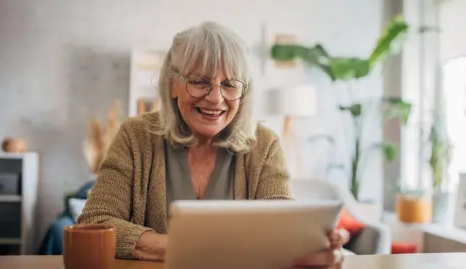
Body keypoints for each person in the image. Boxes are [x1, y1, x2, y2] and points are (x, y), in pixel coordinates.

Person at [78, 21, 349, 268]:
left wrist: (312, 248)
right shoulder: (135, 135)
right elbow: (94, 222)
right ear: (173, 84)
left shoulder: (264, 145)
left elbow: (281, 232)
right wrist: (186, 250)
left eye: (230, 85)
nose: (216, 98)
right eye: (199, 82)